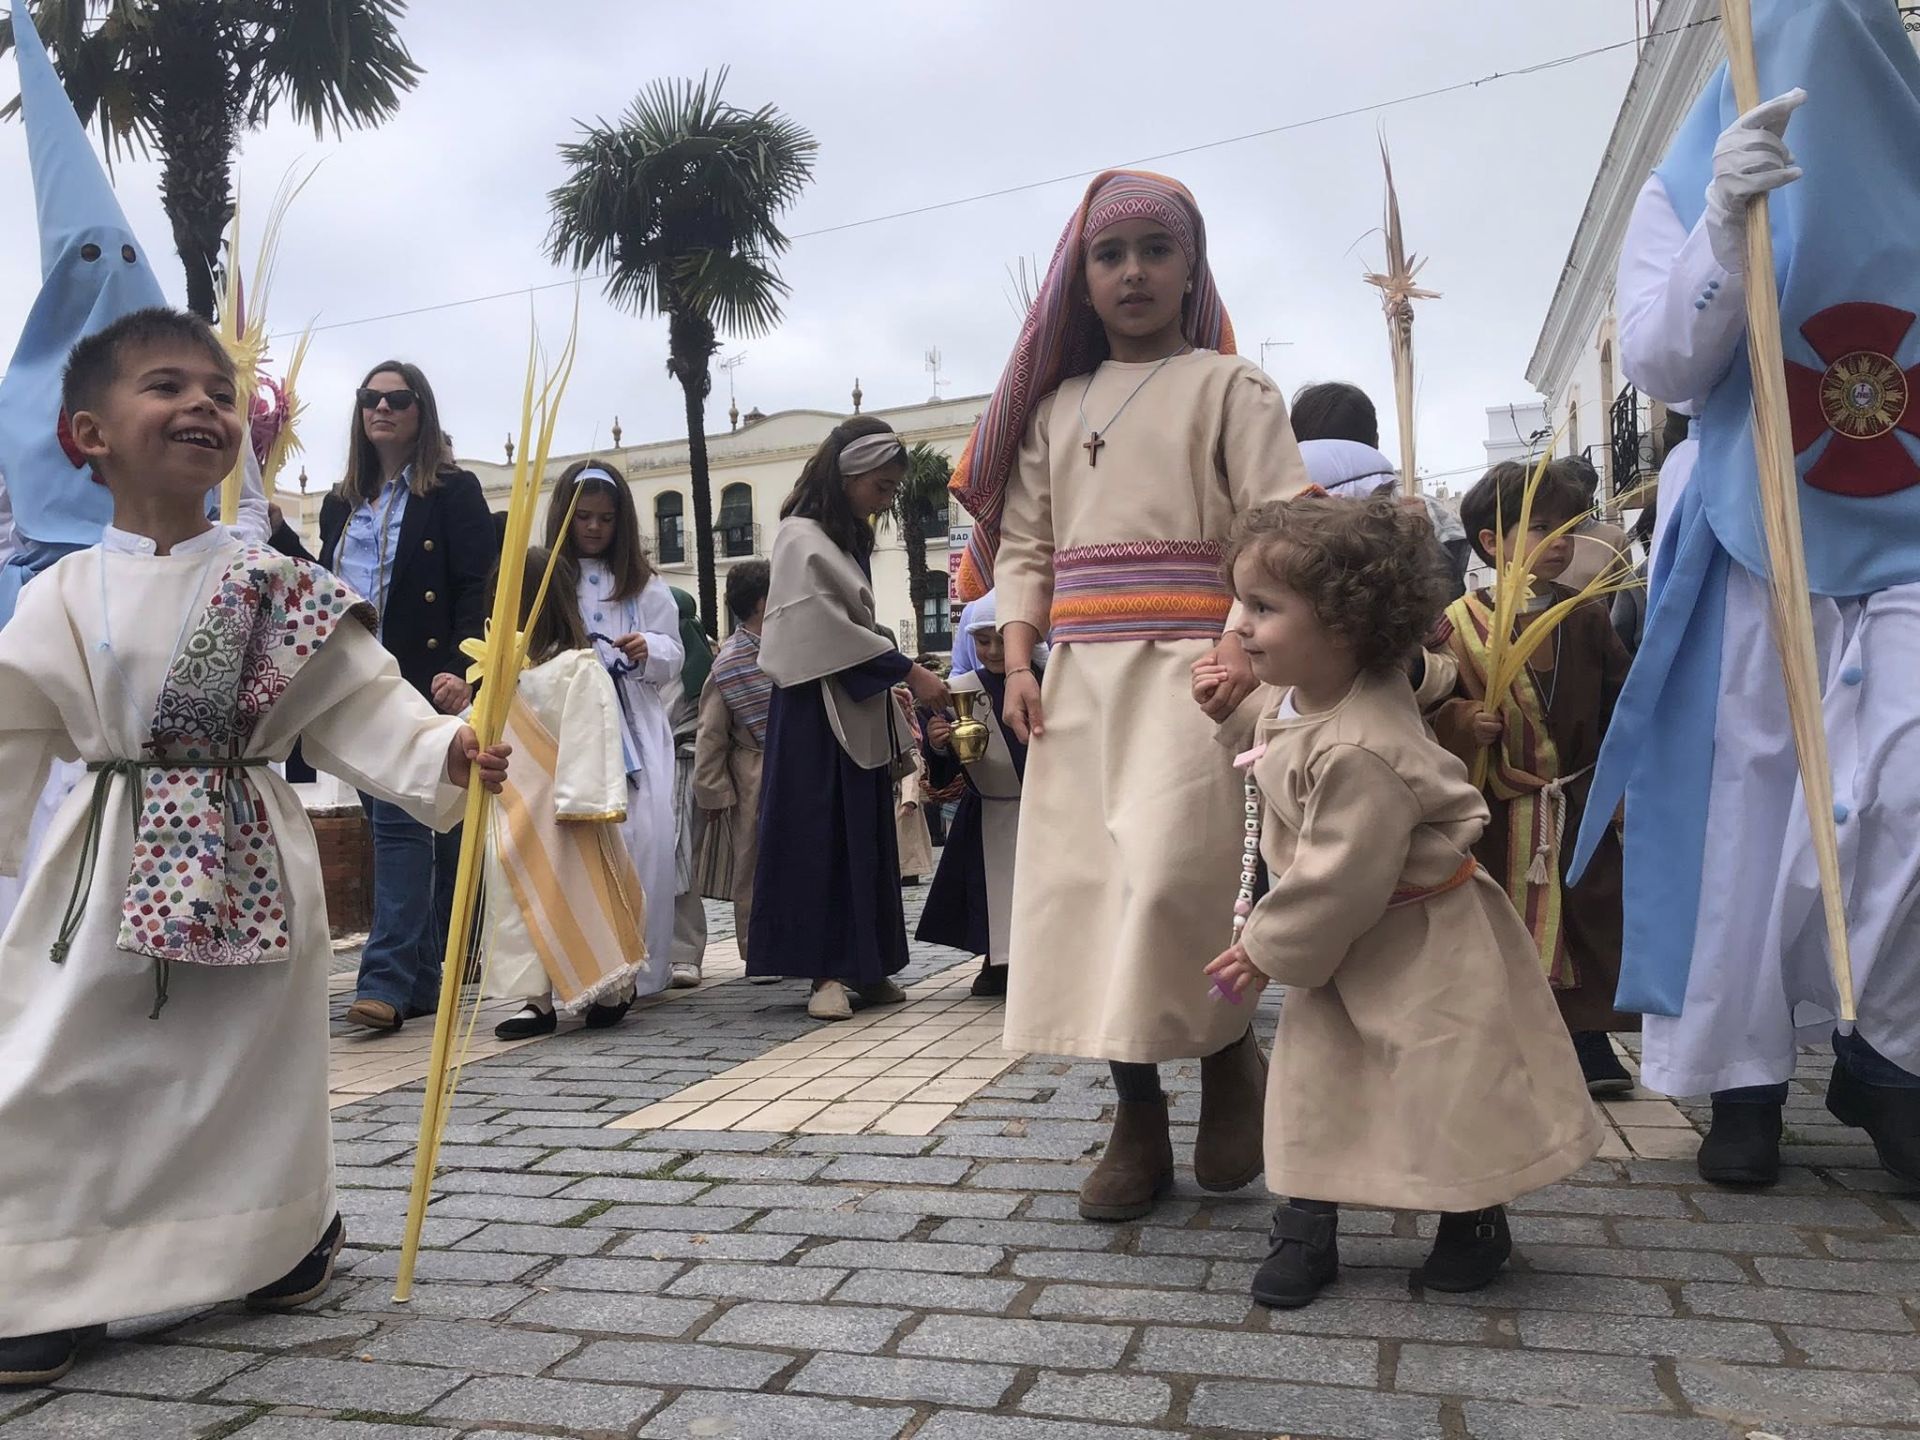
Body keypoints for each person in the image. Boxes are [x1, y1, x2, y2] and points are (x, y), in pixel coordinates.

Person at [0, 308, 508, 1387]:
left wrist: (446, 753)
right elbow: (8, 727)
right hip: (103, 865)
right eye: (166, 386)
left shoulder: (278, 587)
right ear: (86, 431)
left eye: (220, 394)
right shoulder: (58, 593)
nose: (201, 407)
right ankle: (44, 1270)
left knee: (250, 1070)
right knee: (64, 1061)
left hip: (251, 857)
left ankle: (276, 1237)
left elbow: (365, 703)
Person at [1574, 0, 1920, 1188]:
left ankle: (1895, 1052)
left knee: (1907, 795)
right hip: (1751, 521)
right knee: (1746, 807)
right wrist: (1724, 223)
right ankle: (1741, 1076)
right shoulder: (1684, 178)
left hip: (1908, 534)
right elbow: (1667, 363)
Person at [950, 170, 1307, 1221]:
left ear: (1191, 265)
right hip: (1073, 687)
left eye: (1156, 249)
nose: (1134, 271)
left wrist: (1246, 643)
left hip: (1197, 676)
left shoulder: (1232, 388)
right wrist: (1018, 663)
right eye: (1112, 255)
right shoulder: (1058, 408)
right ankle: (1136, 1112)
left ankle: (1232, 1053)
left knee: (1170, 887)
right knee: (1089, 900)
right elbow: (1027, 547)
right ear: (1084, 278)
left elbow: (1280, 528)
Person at [1206, 495, 1601, 1309]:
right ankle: (1306, 1222)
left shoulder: (1363, 749)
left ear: (1345, 626)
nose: (1241, 625)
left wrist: (1265, 949)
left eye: (1266, 608)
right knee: (1318, 1080)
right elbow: (1289, 726)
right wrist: (1235, 709)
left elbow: (1339, 871)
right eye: (1243, 602)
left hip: (1418, 939)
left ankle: (1474, 1214)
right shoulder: (1316, 686)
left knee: (1446, 1078)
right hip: (1354, 942)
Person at [1431, 459, 1638, 1095]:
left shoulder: (1584, 616)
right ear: (1491, 543)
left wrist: (1623, 783)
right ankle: (1506, 1033)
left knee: (1586, 911)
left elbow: (1619, 701)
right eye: (1541, 526)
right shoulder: (1455, 623)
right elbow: (1426, 702)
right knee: (1497, 918)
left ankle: (1587, 1035)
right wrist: (1466, 719)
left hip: (1572, 798)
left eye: (1569, 528)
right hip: (1496, 801)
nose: (1560, 542)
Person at [749, 417, 949, 1020]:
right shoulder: (797, 536)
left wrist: (885, 659)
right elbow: (816, 628)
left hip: (854, 702)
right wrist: (905, 668)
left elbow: (850, 625)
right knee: (818, 836)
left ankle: (869, 964)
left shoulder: (846, 538)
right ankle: (823, 973)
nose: (886, 501)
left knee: (863, 833)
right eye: (881, 487)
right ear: (850, 475)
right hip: (813, 712)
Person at [485, 548, 649, 1038]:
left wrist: (583, 799)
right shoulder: (495, 671)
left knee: (584, 896)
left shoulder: (577, 666)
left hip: (563, 813)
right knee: (516, 904)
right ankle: (534, 999)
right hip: (513, 809)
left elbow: (592, 730)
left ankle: (612, 987)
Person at [543, 461, 679, 1005]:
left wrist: (649, 648)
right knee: (578, 838)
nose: (594, 528)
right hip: (573, 723)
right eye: (584, 518)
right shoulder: (551, 581)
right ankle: (582, 965)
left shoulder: (645, 586)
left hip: (635, 726)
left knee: (644, 836)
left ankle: (644, 966)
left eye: (605, 518)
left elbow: (674, 649)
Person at [917, 592, 1033, 999]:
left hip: (1043, 809)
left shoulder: (1050, 678)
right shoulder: (959, 690)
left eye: (1002, 639)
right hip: (989, 806)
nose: (994, 651)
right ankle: (996, 959)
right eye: (983, 641)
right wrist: (938, 744)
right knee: (989, 889)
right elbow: (945, 770)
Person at [1289, 380, 1470, 599]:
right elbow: (1451, 603)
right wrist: (1423, 543)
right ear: (1375, 441)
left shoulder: (1278, 515)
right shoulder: (1422, 511)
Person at [692, 560, 772, 971]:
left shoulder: (789, 645)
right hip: (752, 775)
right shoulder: (728, 665)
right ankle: (754, 948)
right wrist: (714, 792)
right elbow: (711, 732)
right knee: (752, 864)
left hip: (788, 768)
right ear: (762, 602)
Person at [667, 587, 714, 988]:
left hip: (682, 767)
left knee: (679, 857)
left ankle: (685, 951)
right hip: (638, 773)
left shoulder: (696, 668)